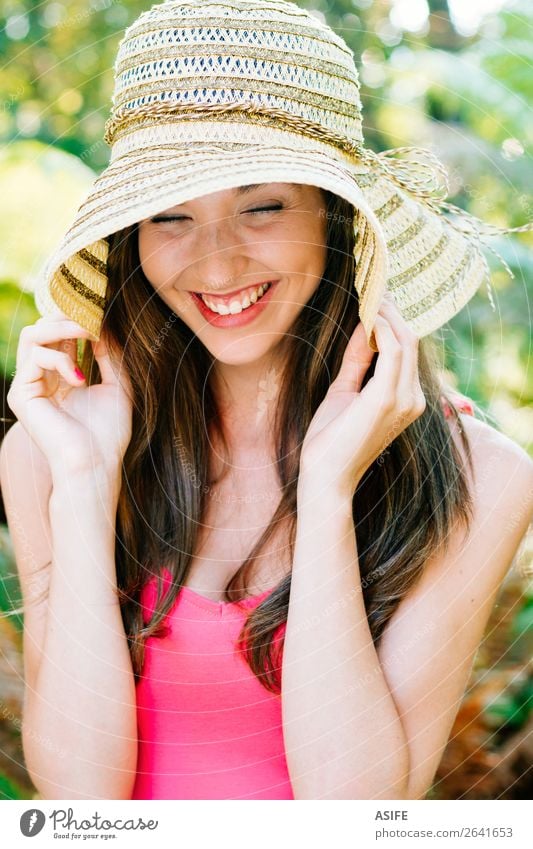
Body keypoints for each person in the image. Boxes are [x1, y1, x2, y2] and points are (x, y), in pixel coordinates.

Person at [1, 0, 532, 802]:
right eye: (169, 215)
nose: (215, 263)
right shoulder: (54, 448)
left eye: (262, 205)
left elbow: (351, 810)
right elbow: (79, 801)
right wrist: (82, 484)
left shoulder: (478, 475)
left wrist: (325, 490)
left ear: (336, 218)